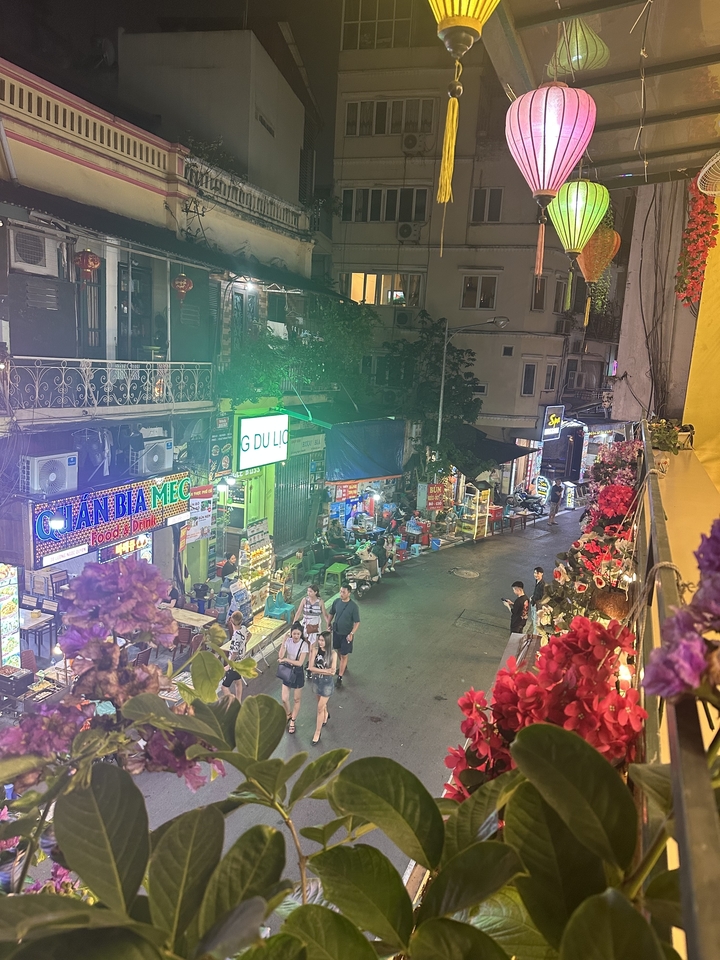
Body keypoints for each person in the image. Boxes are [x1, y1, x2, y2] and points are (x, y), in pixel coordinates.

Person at [277, 622, 310, 734]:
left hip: (297, 672)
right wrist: (283, 641)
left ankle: (293, 721)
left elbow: (300, 663)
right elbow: (281, 655)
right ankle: (288, 713)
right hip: (287, 671)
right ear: (291, 633)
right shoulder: (288, 641)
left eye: (298, 634)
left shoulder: (303, 645)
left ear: (301, 634)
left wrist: (286, 660)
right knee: (284, 698)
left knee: (296, 699)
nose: (296, 636)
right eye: (294, 633)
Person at [307, 631, 338, 745]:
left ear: (328, 641)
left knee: (319, 707)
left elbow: (333, 671)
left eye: (322, 640)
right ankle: (326, 714)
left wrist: (320, 670)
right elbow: (310, 667)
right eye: (319, 640)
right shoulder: (315, 650)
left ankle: (317, 732)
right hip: (316, 681)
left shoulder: (333, 654)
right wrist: (326, 670)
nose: (320, 642)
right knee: (321, 703)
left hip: (326, 684)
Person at [329, 584, 360, 686]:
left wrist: (351, 633)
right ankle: (344, 666)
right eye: (341, 591)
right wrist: (328, 623)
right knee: (338, 650)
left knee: (344, 655)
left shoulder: (353, 607)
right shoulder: (336, 602)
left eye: (344, 592)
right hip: (337, 632)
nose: (341, 594)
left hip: (346, 635)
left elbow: (357, 622)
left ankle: (340, 677)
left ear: (349, 593)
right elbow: (332, 613)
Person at [221, 611, 251, 703]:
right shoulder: (243, 628)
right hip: (241, 661)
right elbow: (250, 635)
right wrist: (244, 644)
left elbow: (234, 653)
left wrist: (228, 665)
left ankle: (232, 701)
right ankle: (238, 701)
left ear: (231, 621)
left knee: (224, 686)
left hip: (234, 665)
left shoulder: (235, 636)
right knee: (238, 682)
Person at [503, 580, 529, 657]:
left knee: (514, 639)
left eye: (514, 590)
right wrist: (512, 603)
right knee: (520, 637)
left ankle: (514, 654)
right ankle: (520, 652)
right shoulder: (525, 598)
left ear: (518, 589)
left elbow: (514, 612)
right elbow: (521, 608)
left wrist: (507, 606)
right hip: (523, 621)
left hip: (516, 623)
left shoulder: (518, 600)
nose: (514, 591)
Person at [529, 566, 545, 635]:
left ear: (542, 574)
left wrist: (533, 599)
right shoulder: (537, 581)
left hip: (537, 606)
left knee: (536, 622)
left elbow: (542, 597)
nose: (536, 575)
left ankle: (536, 636)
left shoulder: (542, 585)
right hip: (534, 603)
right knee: (534, 619)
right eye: (535, 573)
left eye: (538, 573)